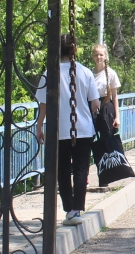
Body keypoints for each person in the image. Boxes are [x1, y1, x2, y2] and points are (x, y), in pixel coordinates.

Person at [37, 33, 100, 227]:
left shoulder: (49, 73)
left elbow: (44, 105)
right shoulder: (84, 72)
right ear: (75, 49)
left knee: (62, 170)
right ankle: (76, 210)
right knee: (81, 169)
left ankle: (68, 208)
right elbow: (96, 103)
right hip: (83, 129)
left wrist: (39, 125)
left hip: (59, 130)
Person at [91, 44, 122, 133]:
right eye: (96, 55)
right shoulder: (89, 73)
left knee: (107, 137)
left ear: (105, 56)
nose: (98, 57)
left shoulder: (111, 73)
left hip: (106, 107)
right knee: (90, 136)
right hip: (93, 107)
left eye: (101, 55)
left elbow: (115, 97)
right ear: (93, 56)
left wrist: (117, 117)